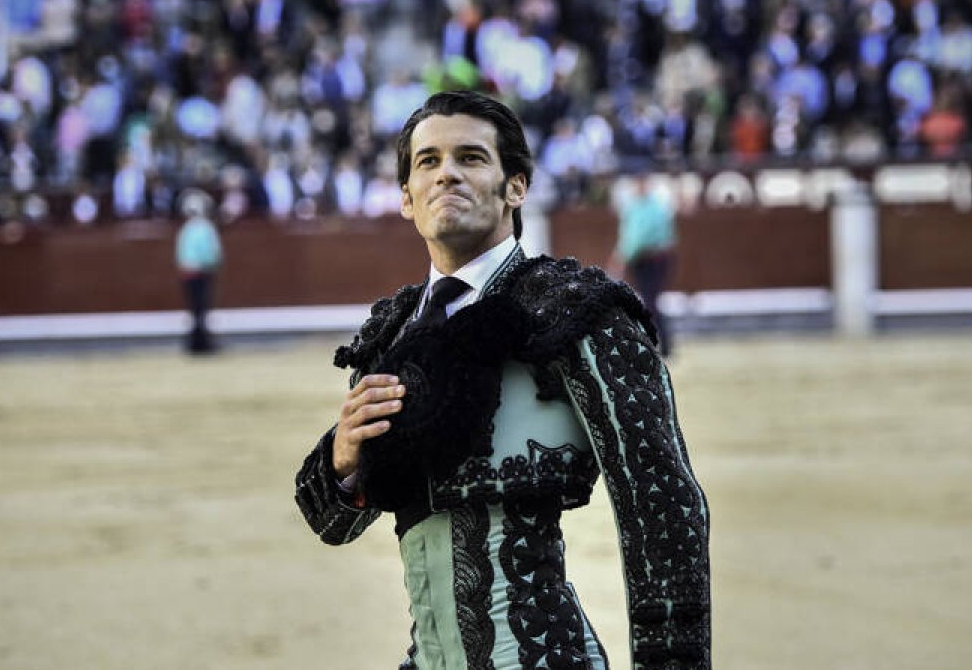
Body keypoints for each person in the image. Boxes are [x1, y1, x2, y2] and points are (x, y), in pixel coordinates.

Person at [294, 91, 710, 669]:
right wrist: (341, 461)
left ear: (515, 186)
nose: (448, 175)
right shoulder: (390, 337)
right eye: (428, 162)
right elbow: (332, 522)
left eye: (471, 157)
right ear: (407, 200)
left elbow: (662, 507)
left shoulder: (577, 313)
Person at [610, 172, 677, 358]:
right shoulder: (648, 206)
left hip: (650, 260)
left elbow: (636, 239)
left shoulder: (648, 207)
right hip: (649, 260)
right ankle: (662, 344)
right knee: (651, 302)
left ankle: (661, 344)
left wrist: (622, 257)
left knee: (650, 302)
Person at [175, 188, 222, 354]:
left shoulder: (186, 229)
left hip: (188, 274)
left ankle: (195, 343)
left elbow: (180, 256)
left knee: (195, 310)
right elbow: (213, 254)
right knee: (201, 309)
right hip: (202, 273)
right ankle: (202, 343)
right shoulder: (206, 228)